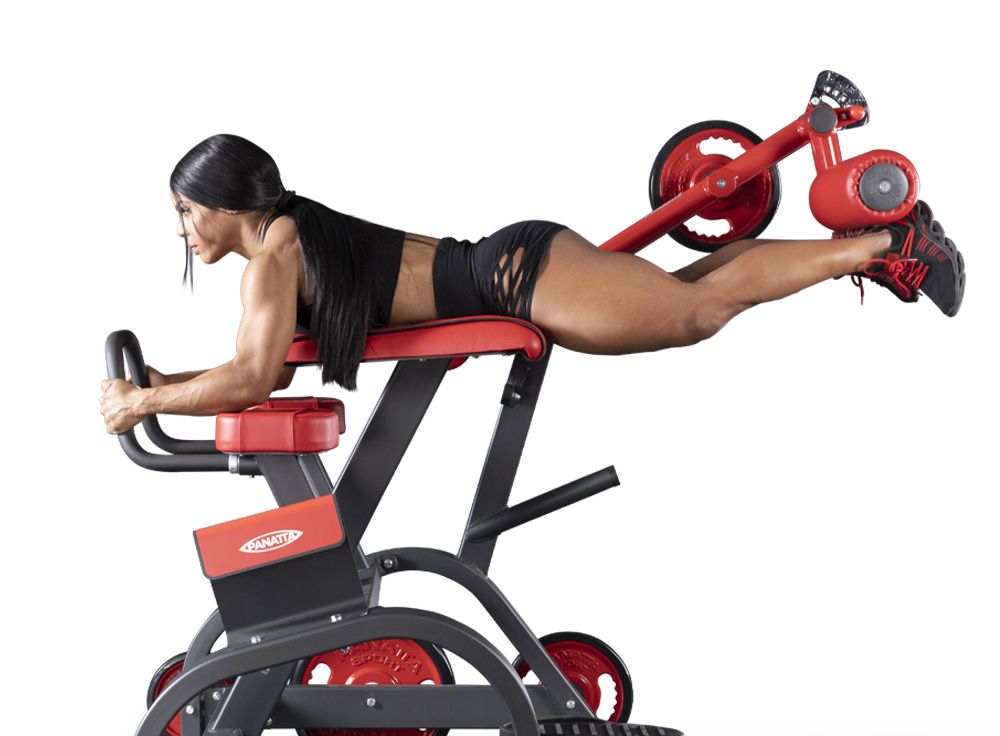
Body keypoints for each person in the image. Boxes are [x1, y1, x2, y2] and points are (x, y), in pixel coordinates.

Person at [100, 134, 965, 435]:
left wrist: (145, 405)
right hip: (517, 266)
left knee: (697, 312)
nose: (183, 230)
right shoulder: (286, 241)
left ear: (226, 204)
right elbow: (256, 371)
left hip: (518, 277)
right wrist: (165, 384)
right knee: (689, 293)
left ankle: (890, 241)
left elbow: (252, 378)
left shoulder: (276, 254)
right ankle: (878, 247)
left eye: (186, 211)